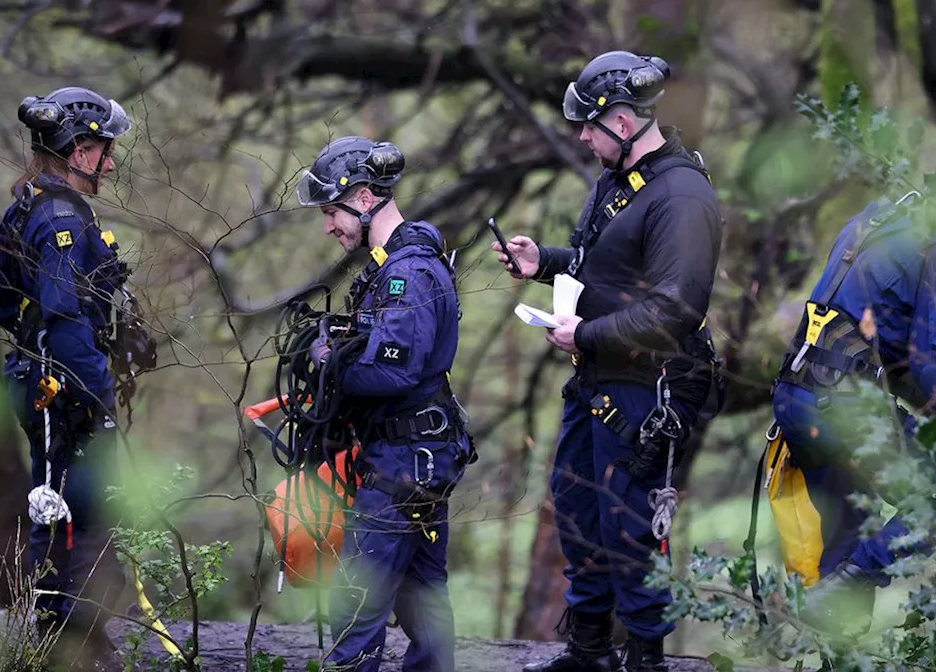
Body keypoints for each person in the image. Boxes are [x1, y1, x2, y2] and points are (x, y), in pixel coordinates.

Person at [494, 50, 725, 672]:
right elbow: (602, 266)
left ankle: (645, 658)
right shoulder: (619, 181)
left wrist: (587, 334)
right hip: (594, 378)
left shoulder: (682, 197)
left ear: (623, 124)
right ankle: (588, 650)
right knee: (578, 516)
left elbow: (675, 309)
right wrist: (541, 261)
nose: (581, 135)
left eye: (590, 125)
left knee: (631, 531)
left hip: (643, 392)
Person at [767, 132, 936, 633]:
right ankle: (849, 585)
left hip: (797, 395)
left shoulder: (882, 214)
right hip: (844, 407)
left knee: (846, 538)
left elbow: (895, 355)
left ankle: (838, 637)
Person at [295, 135, 474, 672]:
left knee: (356, 604)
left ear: (366, 197)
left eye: (333, 211)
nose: (329, 225)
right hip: (418, 456)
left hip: (404, 465)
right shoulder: (392, 267)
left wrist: (330, 361)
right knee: (424, 600)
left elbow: (394, 369)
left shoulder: (407, 274)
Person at [0, 86, 139, 671]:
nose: (111, 159)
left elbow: (1, 303)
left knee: (70, 503)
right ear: (78, 150)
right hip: (63, 386)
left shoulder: (30, 202)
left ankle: (74, 637)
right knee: (70, 509)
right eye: (104, 148)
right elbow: (65, 313)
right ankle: (65, 644)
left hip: (41, 377)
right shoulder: (58, 218)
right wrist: (95, 391)